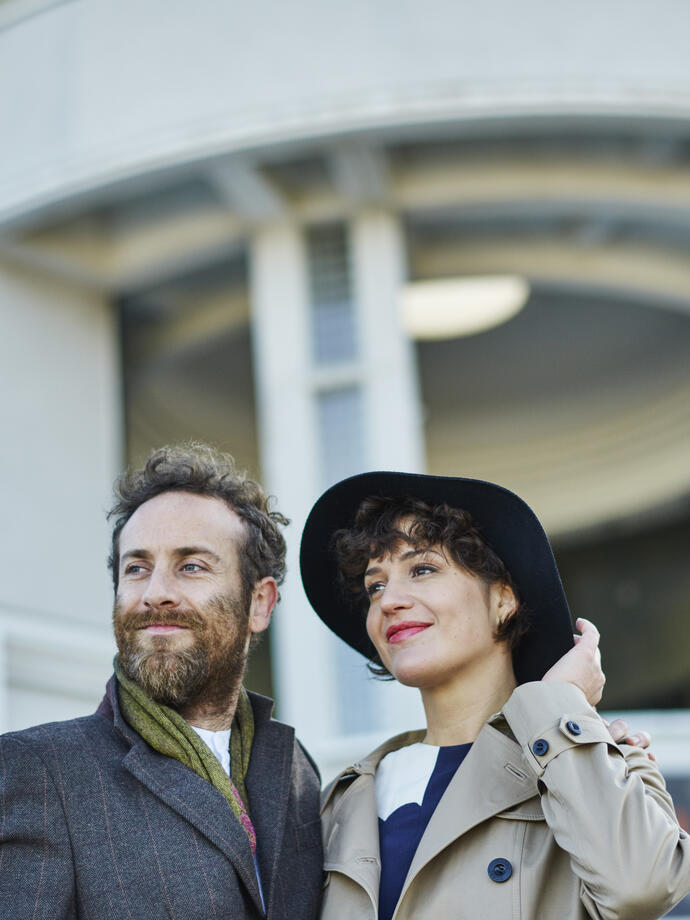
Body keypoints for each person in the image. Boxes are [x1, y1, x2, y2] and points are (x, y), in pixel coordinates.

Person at [299, 470, 690, 920]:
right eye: (376, 586)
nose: (389, 601)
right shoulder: (343, 799)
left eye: (423, 569)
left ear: (503, 598)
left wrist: (559, 702)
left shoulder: (605, 763)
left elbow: (642, 889)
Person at [0, 444, 323, 920]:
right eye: (137, 569)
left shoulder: (298, 772)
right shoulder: (42, 771)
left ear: (259, 603)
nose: (156, 595)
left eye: (191, 566)